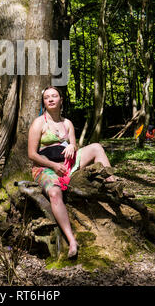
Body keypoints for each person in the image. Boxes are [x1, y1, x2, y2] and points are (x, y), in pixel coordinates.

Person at [27, 85, 115, 259]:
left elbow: (74, 144)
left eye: (54, 96)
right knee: (54, 192)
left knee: (97, 147)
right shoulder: (39, 123)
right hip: (46, 167)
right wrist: (52, 165)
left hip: (68, 164)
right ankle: (72, 241)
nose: (51, 99)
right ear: (44, 102)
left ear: (61, 100)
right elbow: (32, 154)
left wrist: (73, 146)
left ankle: (114, 185)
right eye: (47, 97)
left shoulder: (67, 123)